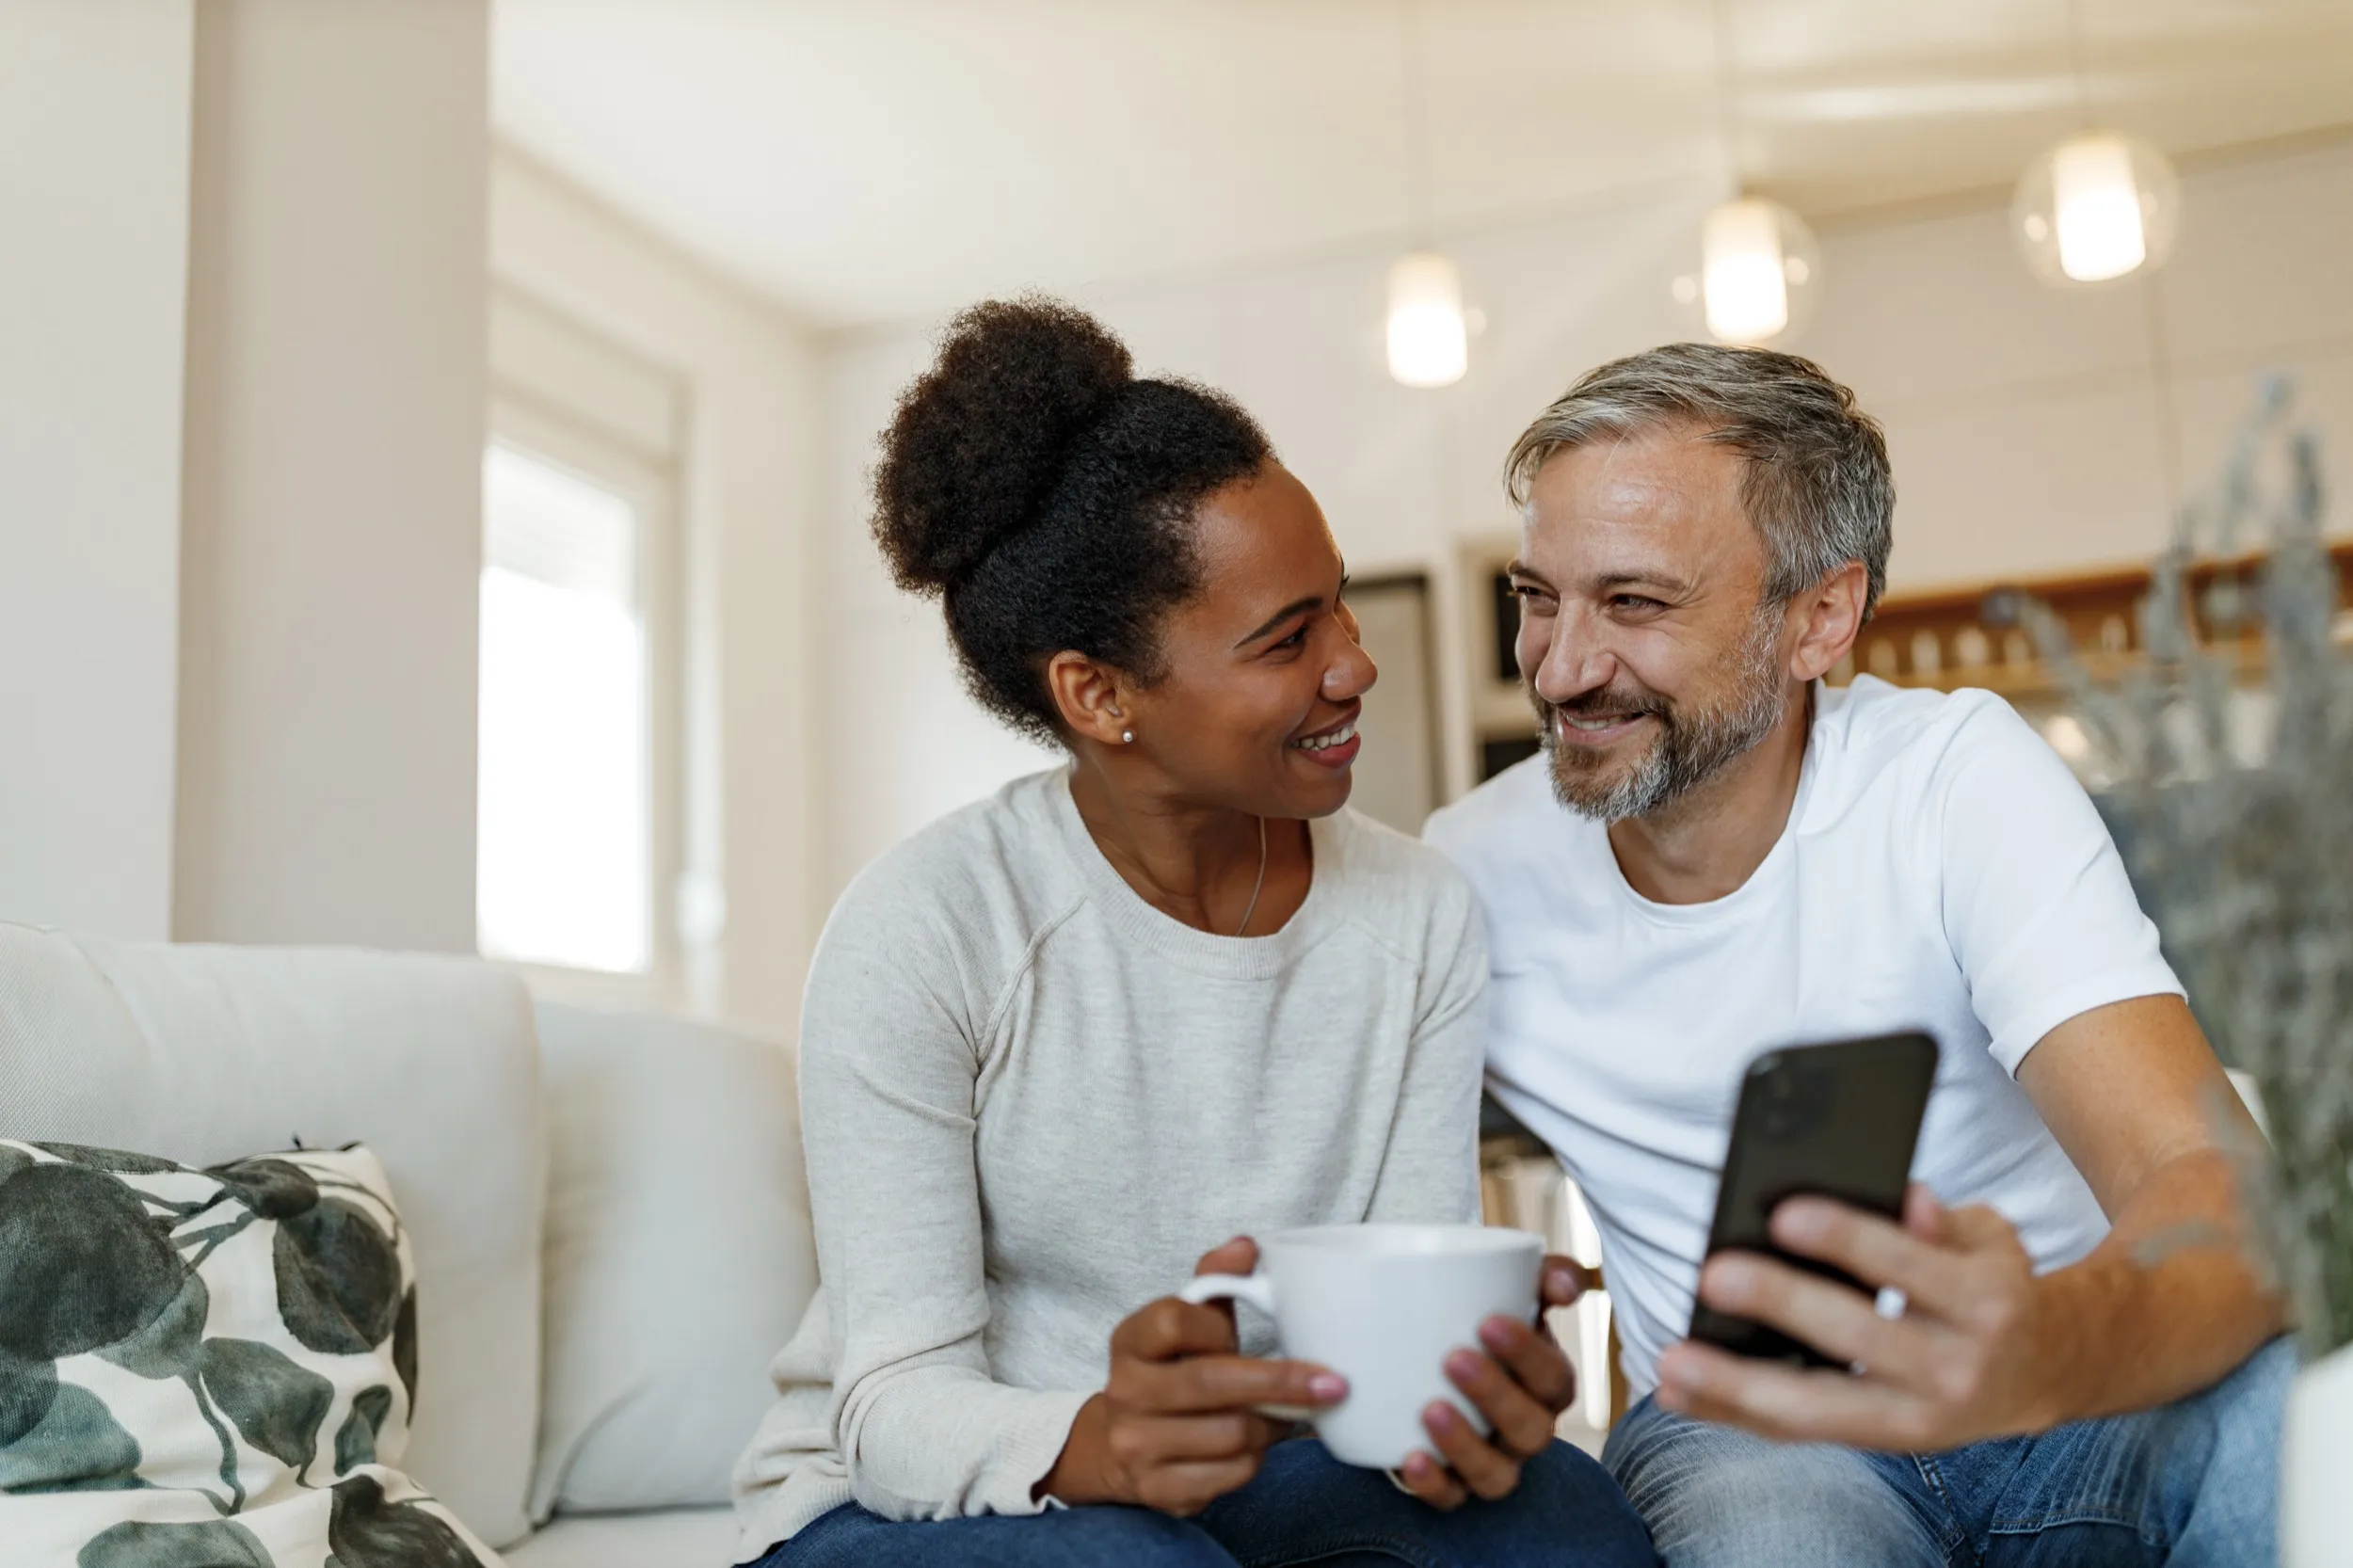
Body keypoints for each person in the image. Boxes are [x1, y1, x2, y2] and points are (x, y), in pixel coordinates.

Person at [732, 297, 1657, 1568]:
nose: (1354, 665)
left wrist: (1462, 1394)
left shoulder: (1417, 913)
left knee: (1564, 1514)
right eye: (1289, 639)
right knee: (1136, 1563)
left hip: (1271, 1474)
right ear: (1099, 694)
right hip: (906, 1502)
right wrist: (1104, 1440)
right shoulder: (927, 928)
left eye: (1336, 605)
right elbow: (891, 1408)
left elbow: (1387, 1351)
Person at [1425, 343, 2293, 1567]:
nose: (1561, 668)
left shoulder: (1952, 779)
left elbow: (2211, 1181)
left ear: (1819, 617)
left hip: (2069, 1375)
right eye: (1536, 596)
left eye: (1634, 603)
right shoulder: (1463, 880)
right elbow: (1337, 1188)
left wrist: (2043, 1344)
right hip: (1755, 1429)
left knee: (2286, 1418)